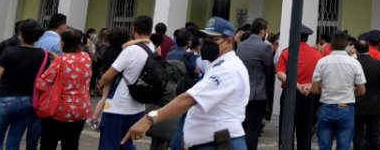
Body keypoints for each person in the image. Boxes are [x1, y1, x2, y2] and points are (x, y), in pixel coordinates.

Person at [121, 16, 250, 150]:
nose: (207, 43)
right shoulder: (218, 64)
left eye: (213, 39)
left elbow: (189, 99)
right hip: (210, 142)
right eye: (206, 39)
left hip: (220, 144)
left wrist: (150, 118)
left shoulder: (228, 69)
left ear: (229, 41)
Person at [0, 20, 47, 150]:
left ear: (21, 34)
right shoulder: (43, 54)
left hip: (6, 99)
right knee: (14, 140)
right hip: (28, 101)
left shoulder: (9, 52)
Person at [95, 15, 155, 149]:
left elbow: (108, 75)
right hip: (138, 106)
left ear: (133, 28)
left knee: (109, 144)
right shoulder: (152, 47)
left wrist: (100, 84)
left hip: (118, 106)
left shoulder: (131, 50)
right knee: (126, 142)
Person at [35, 28, 93, 150]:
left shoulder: (61, 61)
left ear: (64, 43)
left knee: (48, 143)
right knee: (71, 144)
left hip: (59, 109)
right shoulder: (86, 57)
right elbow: (73, 65)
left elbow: (43, 83)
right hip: (81, 109)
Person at [312, 31, 366, 150]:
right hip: (346, 107)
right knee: (344, 146)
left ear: (331, 45)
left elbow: (314, 90)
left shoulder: (322, 62)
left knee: (324, 146)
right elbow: (362, 90)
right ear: (347, 44)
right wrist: (350, 92)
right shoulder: (354, 63)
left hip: (326, 106)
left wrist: (327, 91)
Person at [276, 23, 322, 150]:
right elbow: (322, 77)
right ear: (307, 38)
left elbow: (280, 74)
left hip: (290, 94)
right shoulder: (317, 54)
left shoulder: (287, 52)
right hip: (309, 95)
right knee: (305, 130)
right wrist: (309, 85)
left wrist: (297, 85)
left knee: (286, 129)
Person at [236, 18, 273, 150]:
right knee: (253, 128)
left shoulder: (240, 46)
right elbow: (269, 69)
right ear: (262, 31)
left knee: (242, 126)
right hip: (257, 93)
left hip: (241, 92)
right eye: (267, 30)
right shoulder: (265, 47)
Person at [354, 34, 380, 150]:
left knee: (358, 132)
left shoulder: (353, 63)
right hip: (374, 103)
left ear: (356, 50)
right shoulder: (378, 64)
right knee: (374, 132)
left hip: (357, 103)